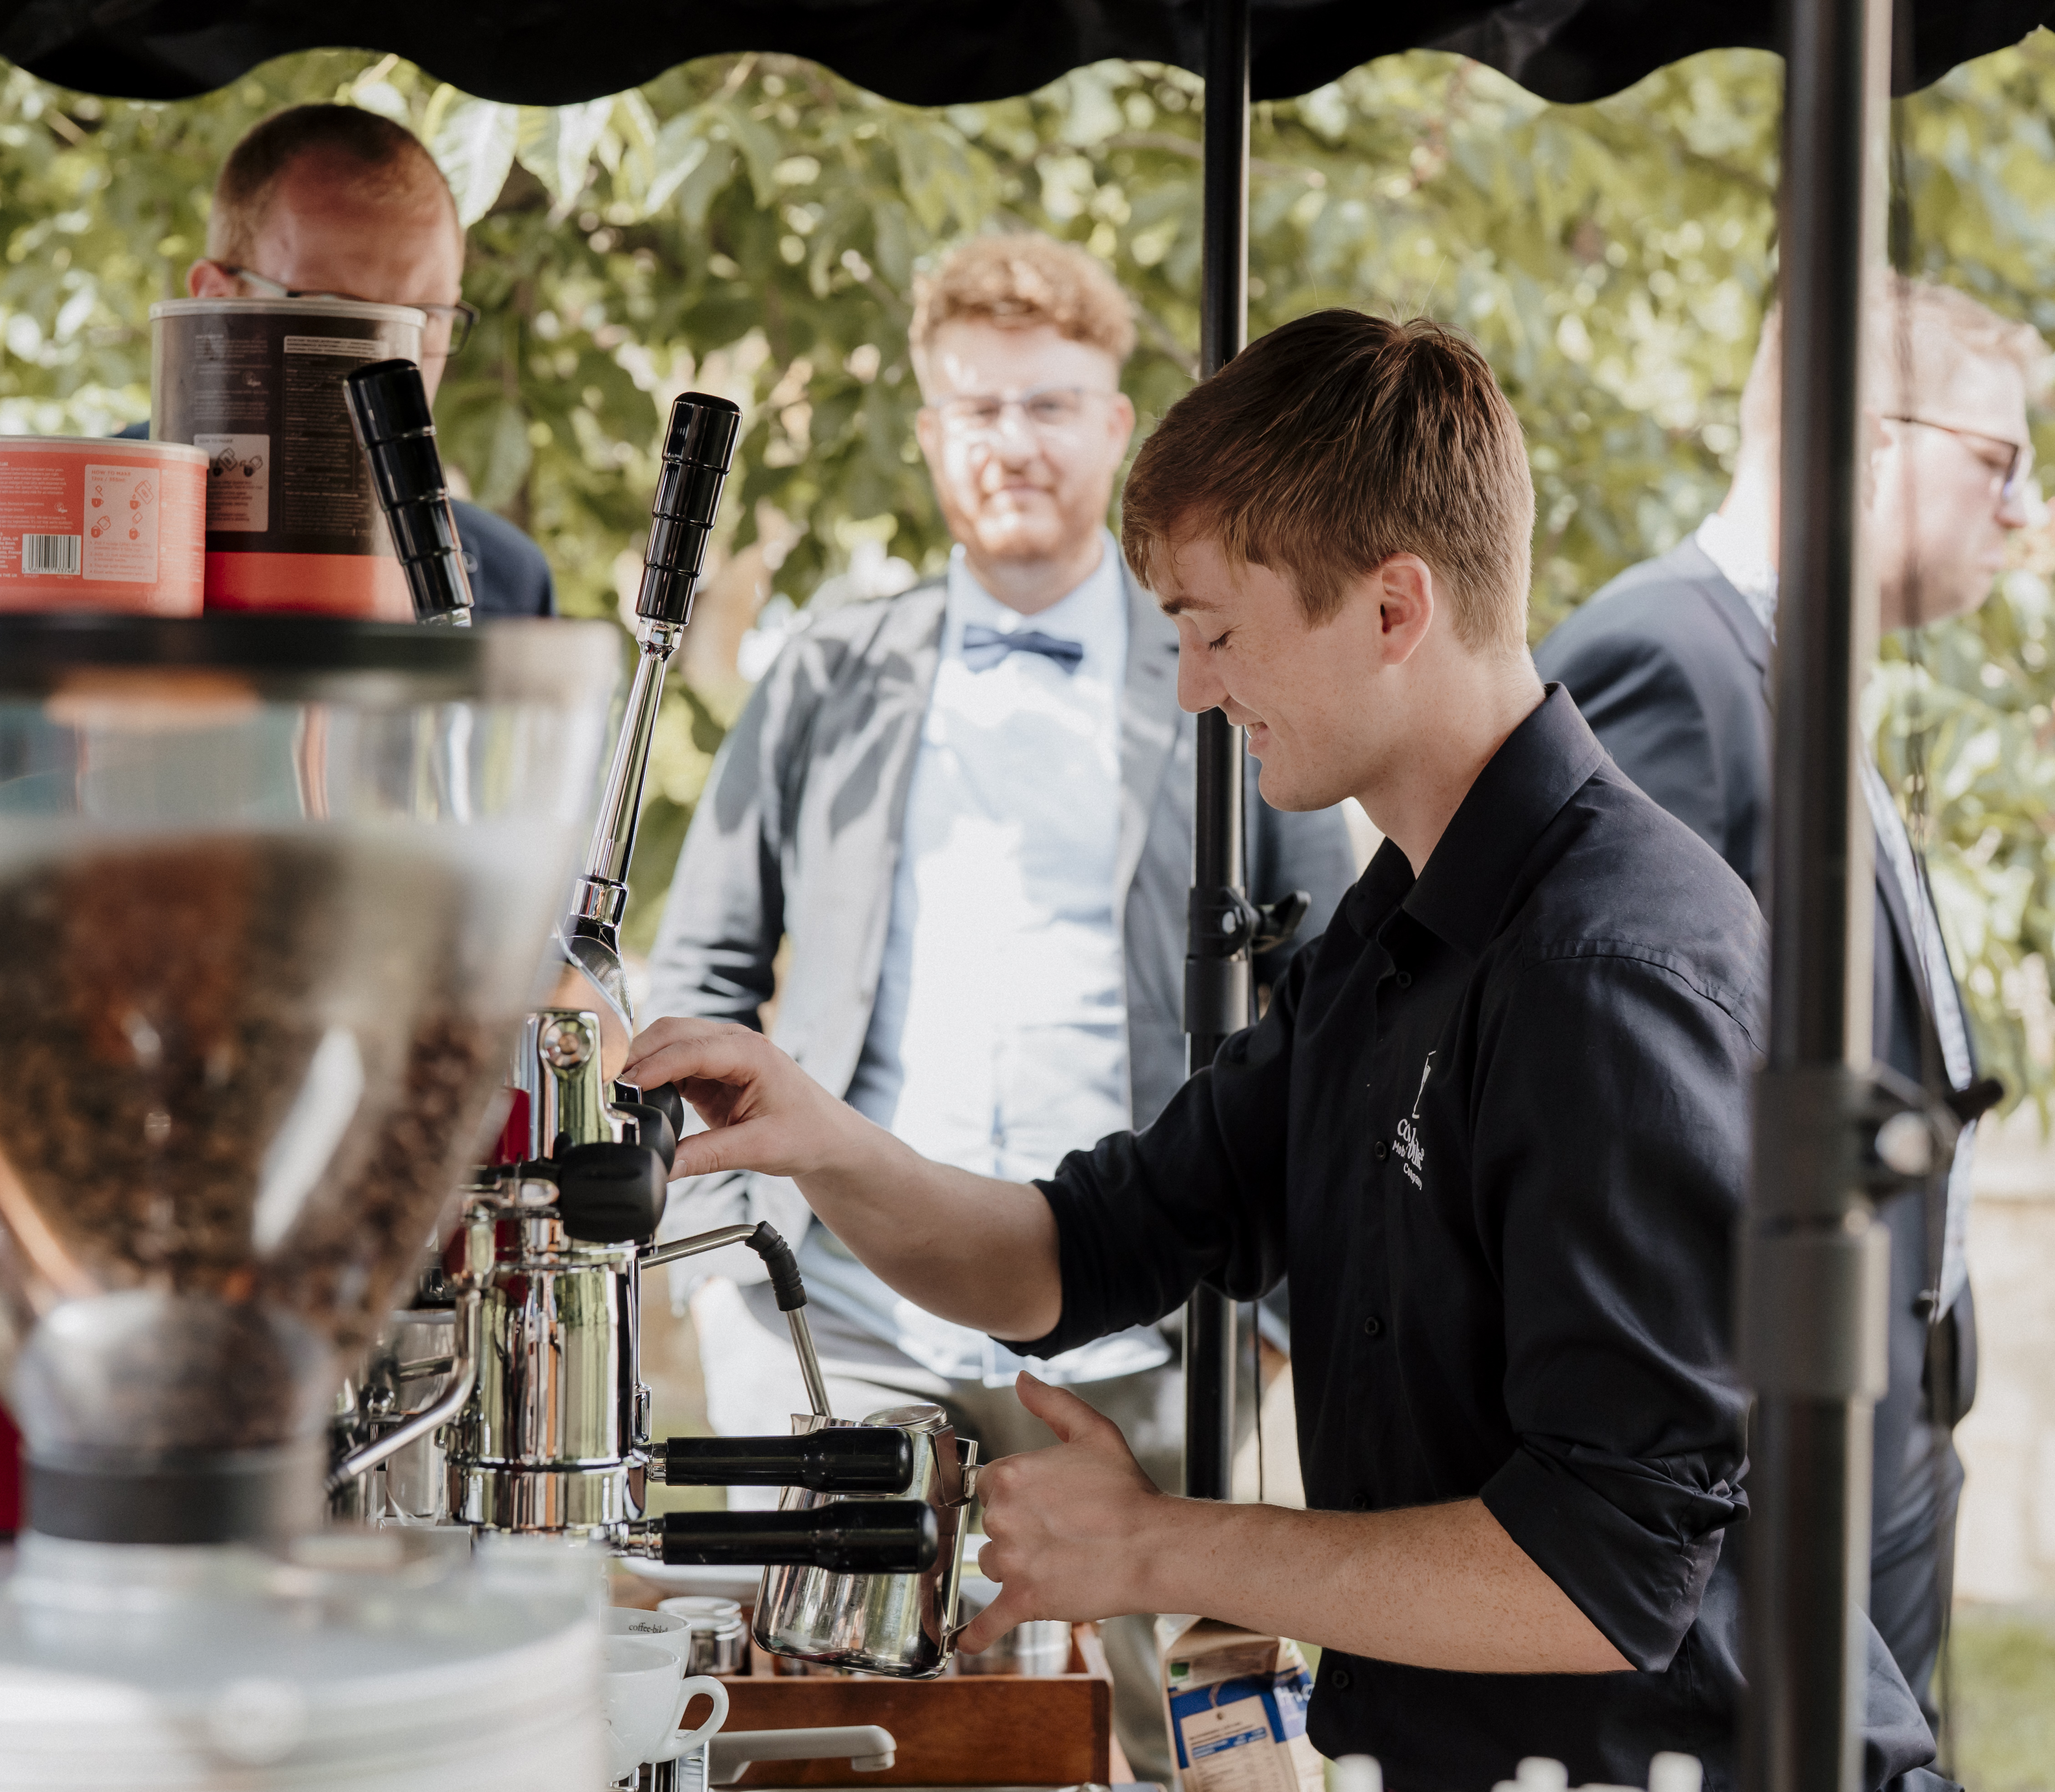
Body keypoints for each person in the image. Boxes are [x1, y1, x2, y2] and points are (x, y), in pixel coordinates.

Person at [624, 309, 1941, 1790]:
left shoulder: (1611, 964)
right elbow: (1069, 1254)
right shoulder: (1388, 935)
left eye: (1213, 630)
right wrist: (822, 1138)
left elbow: (1600, 1574)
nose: (1188, 685)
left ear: (1392, 609)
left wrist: (1158, 1545)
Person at [645, 234, 1353, 1777]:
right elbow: (698, 975)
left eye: (1049, 405)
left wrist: (1285, 1318)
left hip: (1149, 1333)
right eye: (976, 409)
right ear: (927, 433)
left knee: (1184, 1745)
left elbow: (1335, 1002)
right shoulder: (832, 674)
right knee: (815, 1740)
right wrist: (725, 1296)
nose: (1011, 442)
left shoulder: (1225, 678)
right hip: (839, 1332)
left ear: (1114, 427)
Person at [1539, 274, 2046, 1725]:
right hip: (1767, 1472)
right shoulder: (1666, 665)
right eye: (1999, 461)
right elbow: (1614, 1124)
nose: (2022, 512)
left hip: (1875, 1433)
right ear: (1867, 440)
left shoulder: (1789, 666)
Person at [0, 103, 552, 617]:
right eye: (334, 314)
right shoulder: (2, 535)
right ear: (215, 301)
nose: (392, 366)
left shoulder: (509, 582)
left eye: (428, 319)